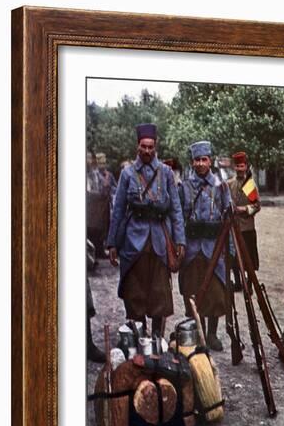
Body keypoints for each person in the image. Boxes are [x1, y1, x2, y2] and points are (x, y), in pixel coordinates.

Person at [106, 123, 186, 338]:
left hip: (160, 242)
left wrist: (180, 240)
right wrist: (112, 243)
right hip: (133, 242)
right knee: (135, 294)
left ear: (156, 145)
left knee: (160, 293)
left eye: (151, 147)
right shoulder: (127, 174)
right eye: (144, 146)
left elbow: (176, 209)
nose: (148, 151)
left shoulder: (167, 173)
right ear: (137, 146)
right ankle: (140, 341)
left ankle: (158, 341)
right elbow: (119, 209)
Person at [178, 141, 232, 351]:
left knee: (215, 292)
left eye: (204, 160)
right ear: (192, 162)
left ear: (210, 161)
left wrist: (231, 252)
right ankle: (196, 330)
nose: (200, 164)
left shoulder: (220, 185)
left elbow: (229, 217)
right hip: (192, 248)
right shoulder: (185, 186)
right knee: (191, 289)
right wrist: (179, 245)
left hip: (214, 248)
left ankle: (211, 333)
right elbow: (179, 216)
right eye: (196, 160)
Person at [227, 151, 261, 291]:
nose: (239, 169)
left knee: (249, 258)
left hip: (247, 227)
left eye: (242, 166)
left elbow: (257, 206)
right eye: (237, 166)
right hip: (233, 227)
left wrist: (243, 209)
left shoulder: (249, 185)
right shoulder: (230, 183)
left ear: (246, 166)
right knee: (234, 257)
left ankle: (250, 283)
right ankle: (238, 282)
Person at [87, 151, 117, 259]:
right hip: (97, 207)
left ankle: (103, 249)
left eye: (104, 163)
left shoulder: (110, 175)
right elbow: (96, 189)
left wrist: (112, 193)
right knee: (97, 228)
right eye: (100, 163)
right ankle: (97, 251)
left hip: (107, 205)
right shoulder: (96, 174)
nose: (102, 165)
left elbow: (115, 188)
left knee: (106, 227)